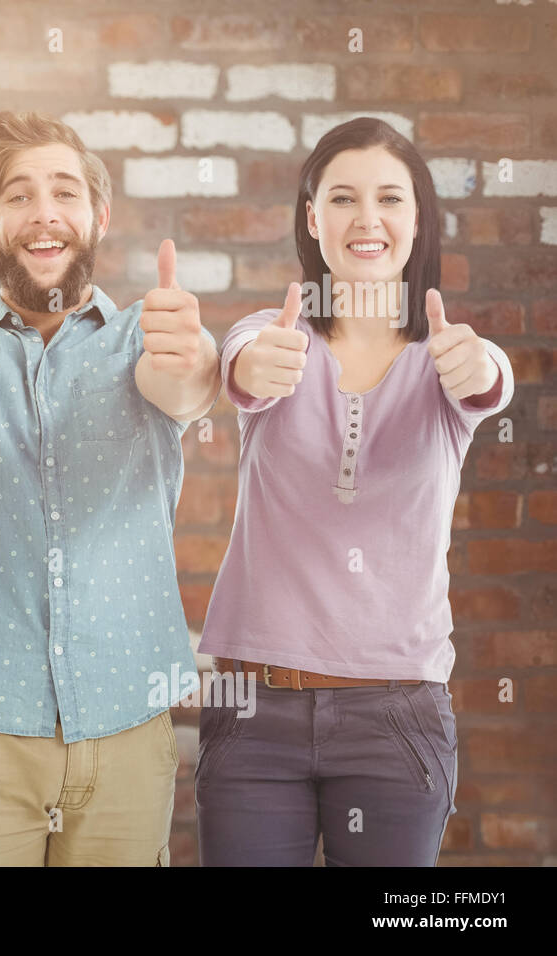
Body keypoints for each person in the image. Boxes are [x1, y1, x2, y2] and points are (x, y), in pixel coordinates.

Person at [0, 111, 222, 866]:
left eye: (64, 193)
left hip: (125, 729)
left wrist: (194, 358)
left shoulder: (145, 337)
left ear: (97, 216)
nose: (45, 213)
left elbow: (189, 384)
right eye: (18, 196)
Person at [196, 117, 514, 866]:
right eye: (342, 199)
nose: (366, 219)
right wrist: (246, 369)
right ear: (313, 219)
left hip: (397, 718)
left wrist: (483, 370)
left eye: (389, 199)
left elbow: (488, 379)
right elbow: (241, 366)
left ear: (416, 220)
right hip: (253, 711)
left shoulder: (450, 357)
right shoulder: (270, 337)